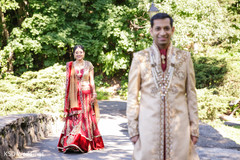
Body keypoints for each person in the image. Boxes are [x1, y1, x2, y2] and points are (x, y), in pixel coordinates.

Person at [127, 13, 199, 160]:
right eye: (158, 28)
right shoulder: (140, 58)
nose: (162, 33)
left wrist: (194, 129)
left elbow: (191, 94)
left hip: (179, 131)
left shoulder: (185, 57)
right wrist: (133, 130)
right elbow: (132, 96)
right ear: (151, 31)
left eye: (166, 28)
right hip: (148, 130)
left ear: (172, 30)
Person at [57, 45, 104, 153]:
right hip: (74, 96)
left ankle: (82, 143)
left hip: (87, 94)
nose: (79, 54)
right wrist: (68, 99)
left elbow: (92, 81)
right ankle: (72, 142)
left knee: (84, 118)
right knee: (75, 118)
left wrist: (94, 93)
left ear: (84, 53)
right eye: (76, 52)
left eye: (81, 52)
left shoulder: (89, 65)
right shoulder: (70, 65)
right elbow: (68, 83)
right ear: (73, 54)